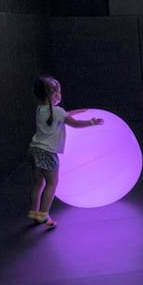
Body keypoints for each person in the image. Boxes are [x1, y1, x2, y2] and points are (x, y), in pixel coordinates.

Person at [27, 76, 104, 228]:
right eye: (57, 93)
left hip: (34, 149)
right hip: (48, 153)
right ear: (53, 95)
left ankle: (34, 213)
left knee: (37, 184)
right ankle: (43, 215)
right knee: (52, 183)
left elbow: (60, 114)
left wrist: (75, 111)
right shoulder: (56, 111)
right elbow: (73, 124)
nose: (59, 96)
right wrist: (91, 122)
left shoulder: (40, 109)